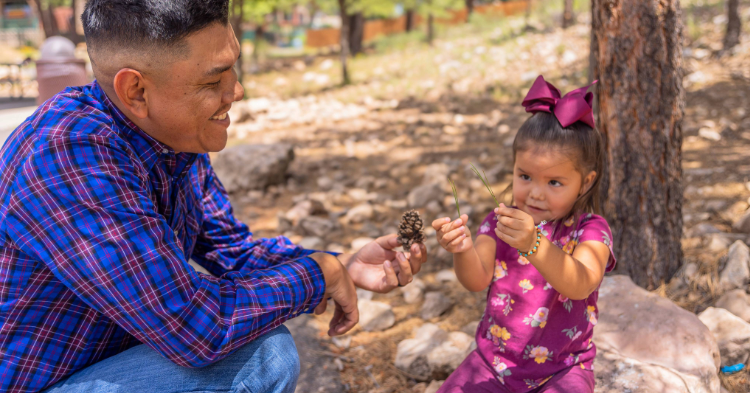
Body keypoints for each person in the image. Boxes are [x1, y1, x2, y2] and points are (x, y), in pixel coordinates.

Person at [0, 1, 426, 392]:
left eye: (232, 68)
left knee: (262, 345)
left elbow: (232, 251)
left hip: (104, 363)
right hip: (40, 383)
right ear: (136, 91)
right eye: (213, 80)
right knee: (261, 358)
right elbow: (195, 328)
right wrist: (316, 275)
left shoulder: (172, 137)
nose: (235, 92)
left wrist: (340, 268)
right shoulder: (68, 156)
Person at [432, 76, 615, 393]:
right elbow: (476, 280)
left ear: (585, 183)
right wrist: (462, 249)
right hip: (494, 362)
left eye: (554, 182)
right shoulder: (499, 221)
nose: (536, 194)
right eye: (525, 176)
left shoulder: (590, 229)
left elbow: (581, 283)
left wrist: (534, 245)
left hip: (564, 369)